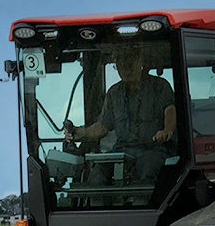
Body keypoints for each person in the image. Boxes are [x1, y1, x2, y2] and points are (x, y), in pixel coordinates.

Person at [66, 53, 176, 184]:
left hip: (152, 149)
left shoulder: (160, 86)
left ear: (140, 61)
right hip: (122, 150)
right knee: (97, 173)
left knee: (148, 173)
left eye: (129, 65)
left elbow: (170, 110)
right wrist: (83, 132)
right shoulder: (114, 93)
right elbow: (103, 126)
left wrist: (167, 130)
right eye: (120, 66)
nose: (125, 70)